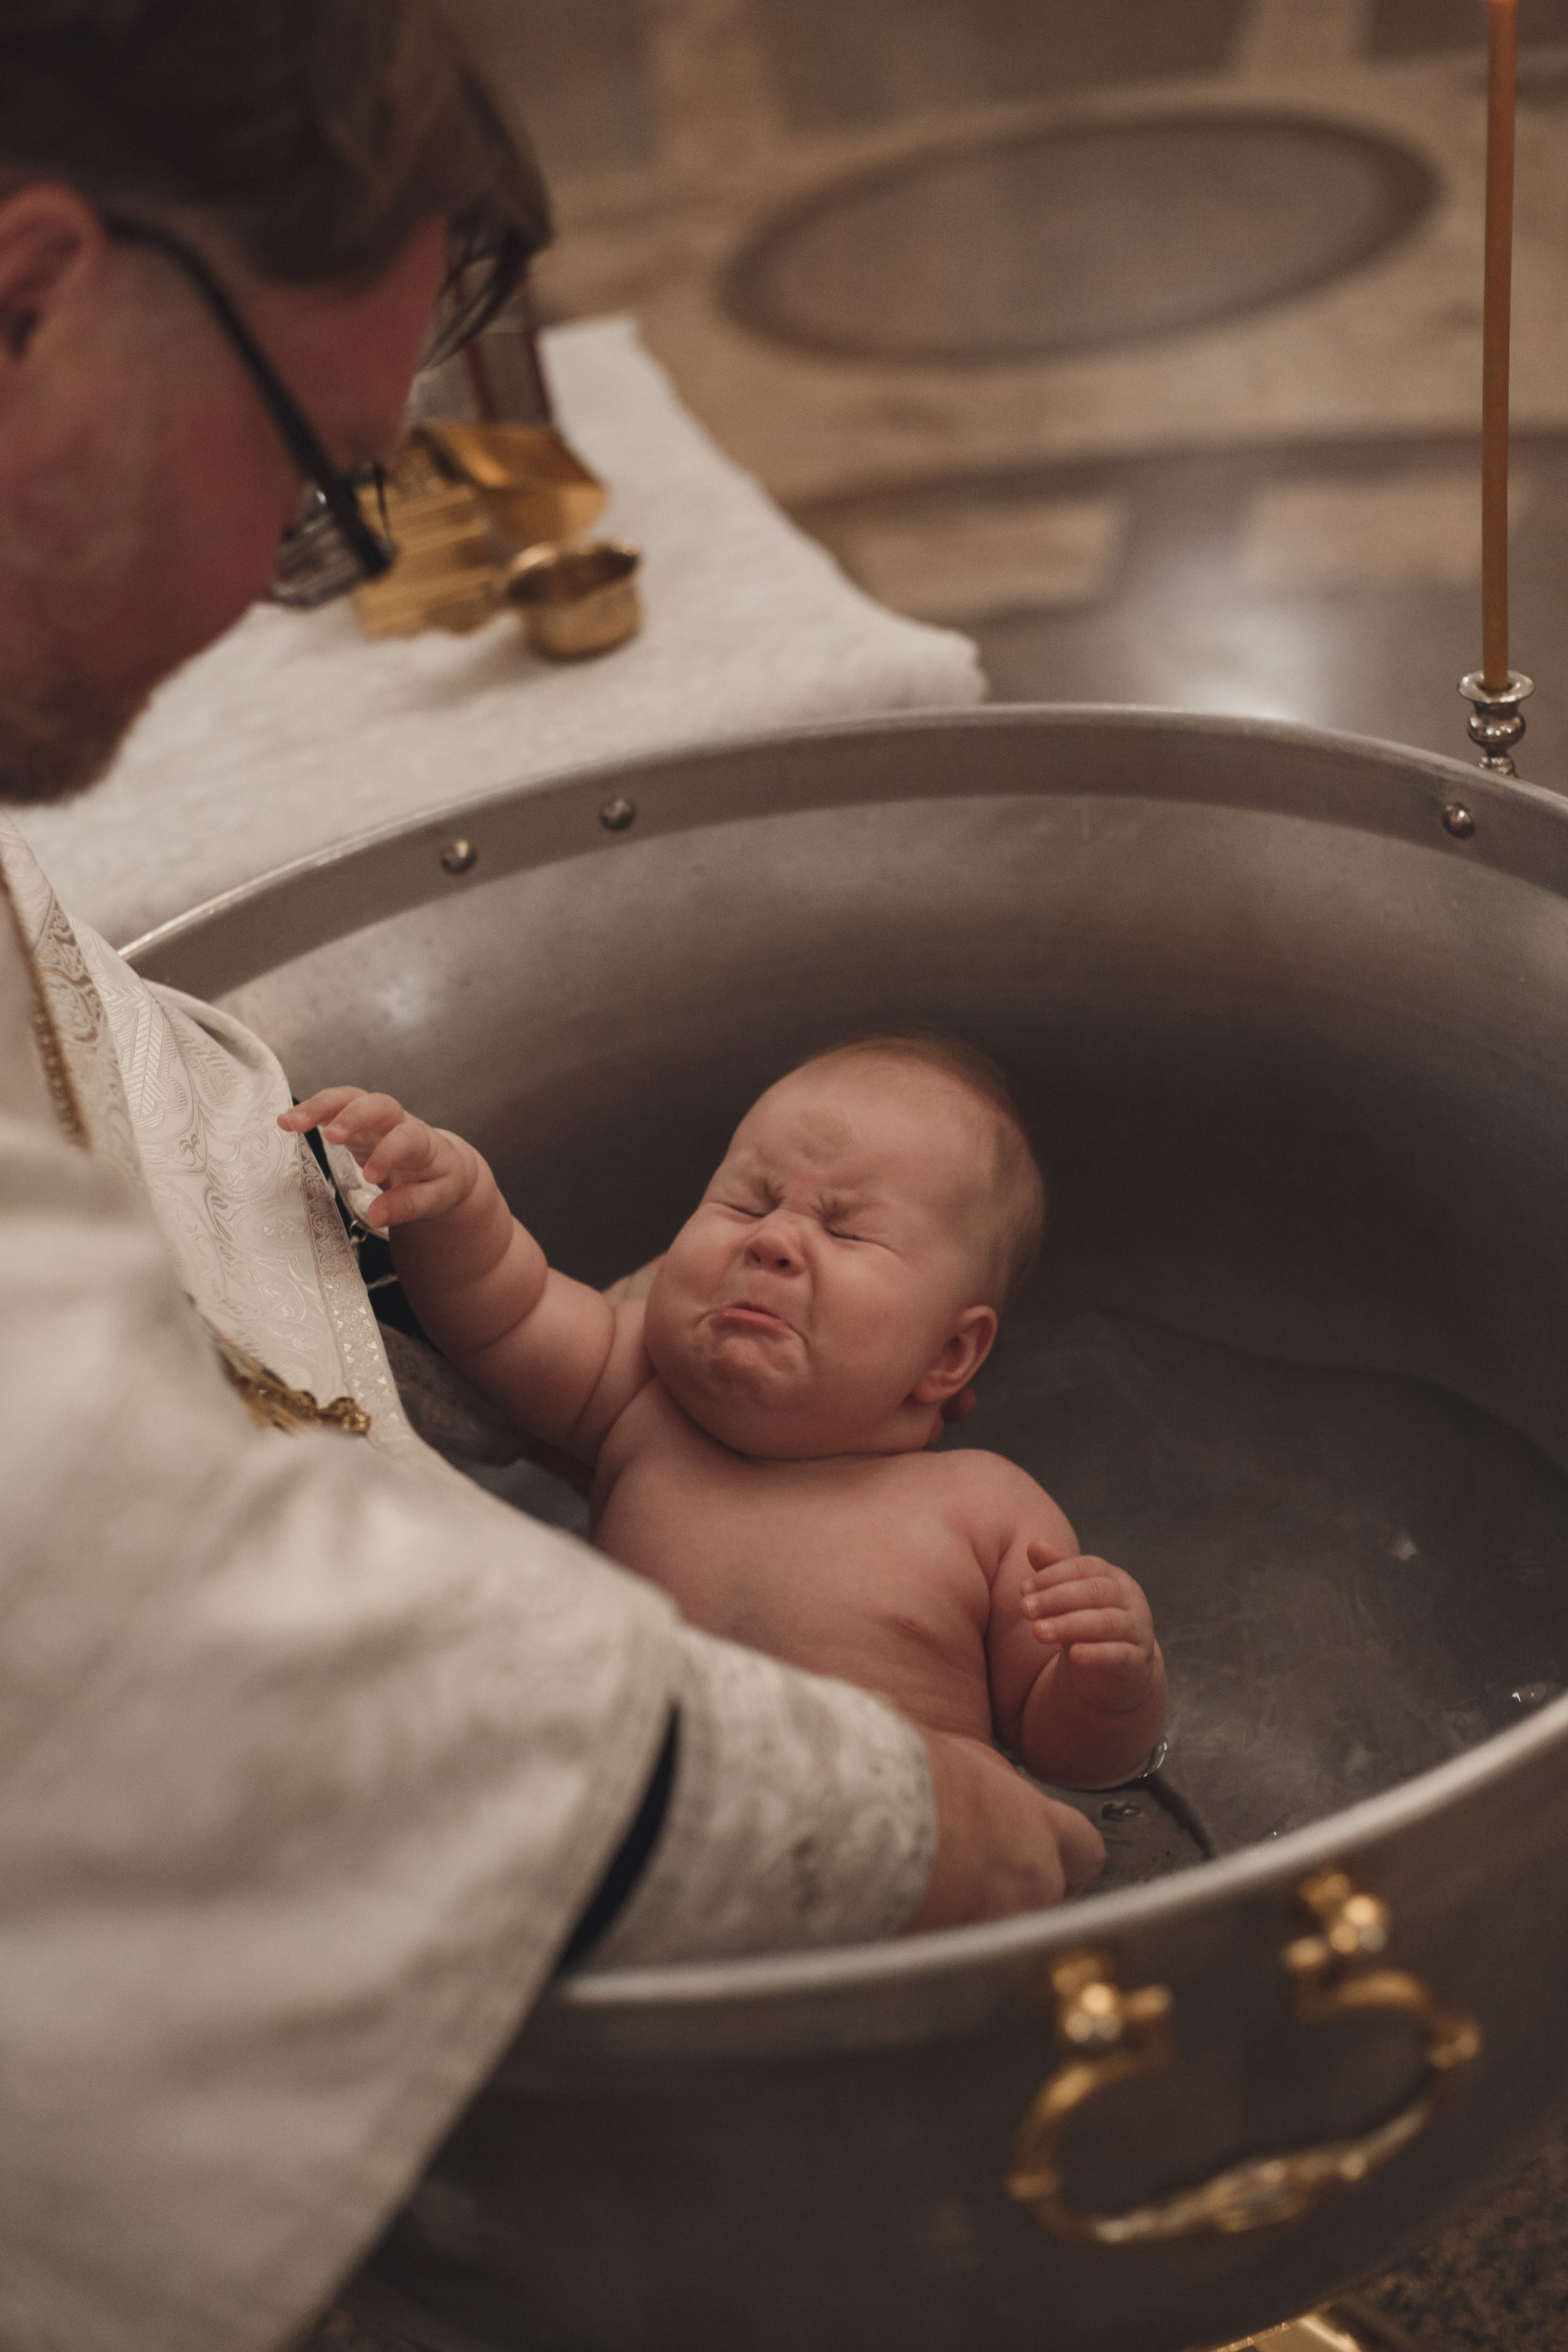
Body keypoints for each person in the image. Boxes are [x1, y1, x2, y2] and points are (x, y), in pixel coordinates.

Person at [0, 7, 1104, 2349]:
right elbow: (82, 1596)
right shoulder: (641, 1401)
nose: (264, 595)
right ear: (33, 294)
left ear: (965, 1363)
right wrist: (877, 1816)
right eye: (317, 483)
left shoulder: (973, 1501)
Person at [283, 1039, 1166, 1795]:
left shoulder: (986, 1509)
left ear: (948, 1356)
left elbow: (1070, 1759)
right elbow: (500, 1310)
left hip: (910, 1861)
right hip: (679, 1841)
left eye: (847, 1231)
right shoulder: (637, 1395)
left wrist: (1111, 1685)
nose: (772, 1240)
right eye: (747, 1201)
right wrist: (454, 1194)